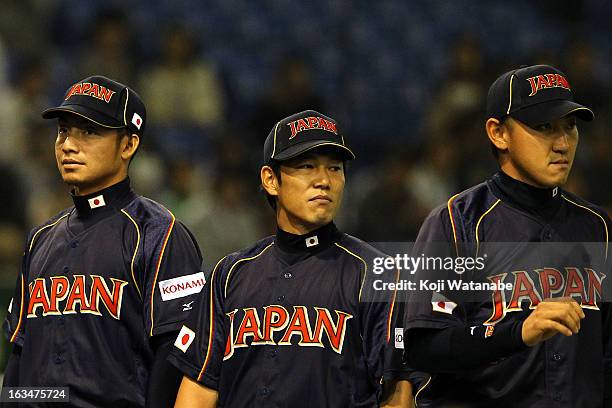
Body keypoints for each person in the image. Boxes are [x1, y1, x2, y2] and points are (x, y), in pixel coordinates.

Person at [168, 110, 413, 407]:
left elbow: (396, 395)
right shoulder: (230, 274)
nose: (324, 180)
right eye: (307, 166)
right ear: (271, 180)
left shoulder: (376, 273)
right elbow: (198, 390)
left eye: (335, 169)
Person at [403, 64, 611, 407]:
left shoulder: (598, 226)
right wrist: (517, 333)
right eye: (544, 127)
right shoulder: (457, 222)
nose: (562, 143)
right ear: (498, 133)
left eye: (570, 127)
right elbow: (427, 348)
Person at [2, 75, 205, 407]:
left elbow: (177, 356)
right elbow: (19, 356)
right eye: (63, 131)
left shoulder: (160, 233)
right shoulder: (40, 238)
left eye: (89, 132)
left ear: (128, 145)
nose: (68, 144)